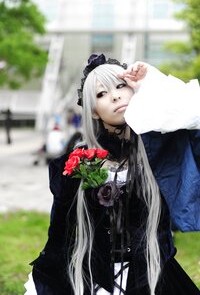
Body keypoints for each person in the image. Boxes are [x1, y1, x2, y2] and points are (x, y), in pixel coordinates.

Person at [24, 54, 200, 295]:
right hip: (92, 280)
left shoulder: (164, 149)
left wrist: (152, 84)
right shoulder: (77, 162)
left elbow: (194, 113)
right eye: (101, 94)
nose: (115, 95)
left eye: (121, 86)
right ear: (94, 111)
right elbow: (61, 232)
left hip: (153, 275)